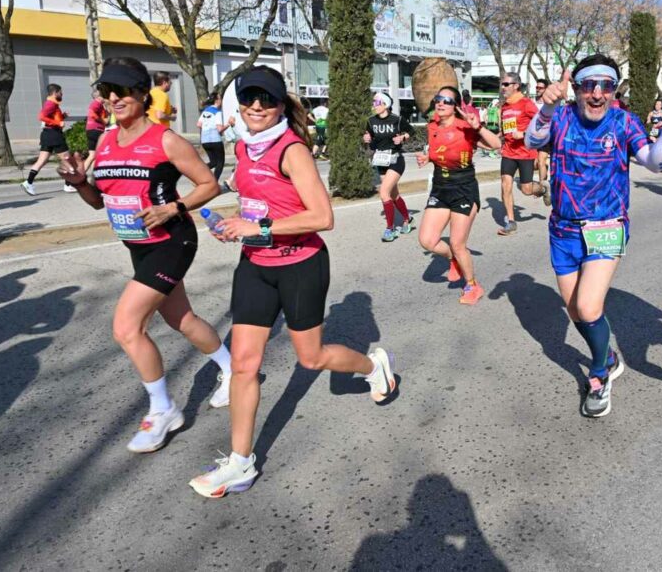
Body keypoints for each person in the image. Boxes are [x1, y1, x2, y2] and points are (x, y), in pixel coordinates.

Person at [188, 67, 397, 497]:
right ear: (239, 104)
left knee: (312, 358)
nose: (257, 107)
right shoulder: (245, 146)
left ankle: (373, 366)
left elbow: (323, 217)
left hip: (300, 264)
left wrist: (256, 227)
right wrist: (231, 225)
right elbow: (249, 199)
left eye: (266, 100)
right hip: (255, 267)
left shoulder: (292, 149)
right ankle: (240, 462)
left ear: (281, 104)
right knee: (245, 365)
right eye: (249, 99)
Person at [56, 57, 232, 452]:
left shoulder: (165, 140)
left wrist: (174, 208)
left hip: (172, 241)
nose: (113, 98)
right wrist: (80, 181)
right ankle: (231, 367)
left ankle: (163, 409)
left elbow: (209, 185)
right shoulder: (105, 141)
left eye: (121, 90)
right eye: (106, 92)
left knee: (126, 327)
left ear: (141, 93)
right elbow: (98, 202)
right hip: (137, 245)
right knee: (180, 318)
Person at [526, 55, 662, 417]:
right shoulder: (561, 117)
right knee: (575, 310)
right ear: (576, 89)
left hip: (607, 227)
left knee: (589, 307)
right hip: (563, 229)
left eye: (607, 86)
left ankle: (599, 375)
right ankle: (609, 355)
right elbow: (532, 138)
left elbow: (652, 161)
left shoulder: (623, 121)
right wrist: (545, 106)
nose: (598, 94)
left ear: (614, 90)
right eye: (590, 85)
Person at [417, 85, 502, 305]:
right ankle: (453, 260)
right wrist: (427, 158)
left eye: (447, 100)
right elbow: (439, 150)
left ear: (455, 107)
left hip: (463, 189)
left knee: (457, 242)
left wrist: (479, 127)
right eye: (438, 99)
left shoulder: (466, 127)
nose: (441, 103)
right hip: (440, 188)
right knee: (427, 241)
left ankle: (472, 285)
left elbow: (496, 145)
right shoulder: (432, 126)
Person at [497, 72, 546, 235]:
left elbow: (542, 125)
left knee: (526, 189)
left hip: (525, 152)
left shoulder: (526, 104)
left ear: (515, 85)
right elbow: (506, 128)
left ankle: (544, 189)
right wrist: (500, 138)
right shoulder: (504, 106)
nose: (502, 87)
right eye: (502, 84)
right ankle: (511, 222)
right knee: (505, 184)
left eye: (506, 84)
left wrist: (524, 133)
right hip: (509, 152)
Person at [363, 91, 415, 242]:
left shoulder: (397, 120)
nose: (374, 105)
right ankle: (407, 219)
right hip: (381, 161)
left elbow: (411, 131)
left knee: (384, 193)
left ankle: (390, 229)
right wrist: (367, 139)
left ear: (385, 104)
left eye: (377, 103)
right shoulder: (371, 121)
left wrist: (403, 137)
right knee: (393, 195)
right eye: (373, 102)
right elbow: (372, 142)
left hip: (395, 160)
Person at [22, 84, 77, 195]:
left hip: (47, 134)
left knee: (41, 161)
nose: (62, 94)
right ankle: (68, 185)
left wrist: (63, 116)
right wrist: (58, 122)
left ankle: (28, 183)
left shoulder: (52, 104)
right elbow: (41, 117)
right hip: (54, 135)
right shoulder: (51, 104)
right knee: (68, 160)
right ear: (55, 92)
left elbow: (50, 118)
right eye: (60, 92)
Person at [198, 93, 232, 182]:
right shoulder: (217, 112)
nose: (221, 100)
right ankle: (214, 183)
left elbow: (198, 124)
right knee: (220, 163)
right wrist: (228, 124)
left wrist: (207, 127)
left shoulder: (205, 111)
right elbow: (220, 129)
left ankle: (197, 175)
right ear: (217, 100)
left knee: (213, 162)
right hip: (215, 140)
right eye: (220, 98)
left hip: (205, 140)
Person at [534, 79, 553, 201]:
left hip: (548, 136)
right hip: (535, 136)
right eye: (537, 87)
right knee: (538, 163)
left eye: (540, 88)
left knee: (541, 161)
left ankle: (543, 187)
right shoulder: (532, 103)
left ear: (546, 89)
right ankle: (544, 184)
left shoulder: (551, 103)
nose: (538, 90)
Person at [84, 88, 108, 172]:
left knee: (92, 155)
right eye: (104, 96)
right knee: (104, 152)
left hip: (91, 130)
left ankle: (81, 175)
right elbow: (91, 113)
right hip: (96, 130)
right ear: (99, 97)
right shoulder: (96, 103)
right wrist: (103, 121)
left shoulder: (99, 105)